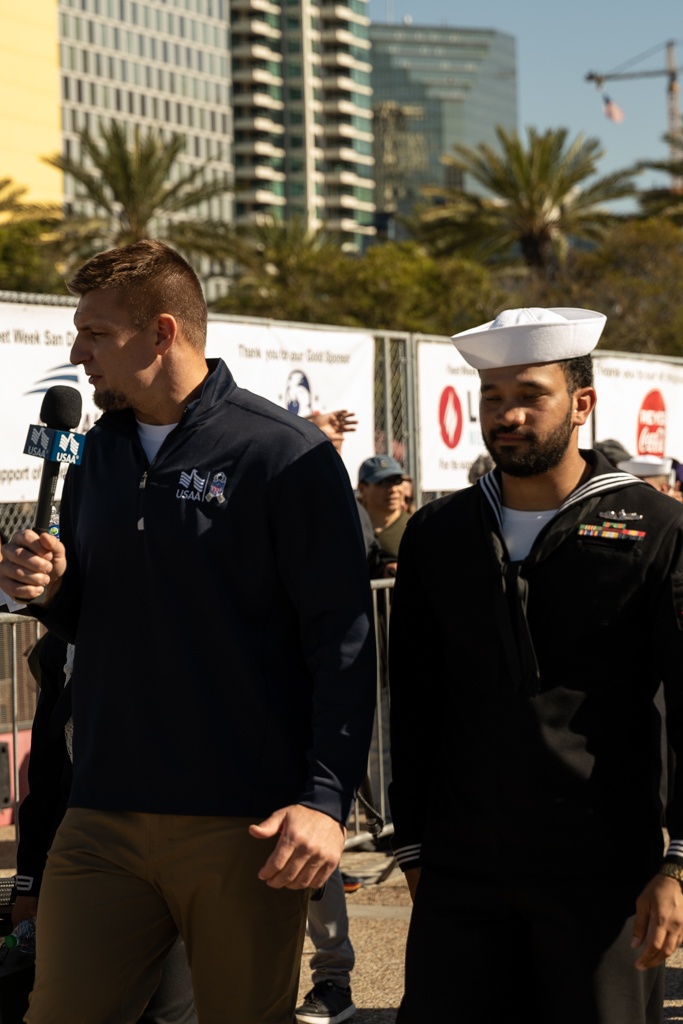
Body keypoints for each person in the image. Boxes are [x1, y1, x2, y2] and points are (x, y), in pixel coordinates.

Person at [0, 240, 376, 1024]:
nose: (79, 354)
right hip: (100, 814)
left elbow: (341, 644)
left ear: (162, 332)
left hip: (239, 822)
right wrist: (54, 591)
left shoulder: (284, 455)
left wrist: (324, 798)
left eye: (96, 333)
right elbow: (97, 618)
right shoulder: (97, 453)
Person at [388, 306, 683, 1024]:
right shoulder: (438, 533)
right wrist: (414, 845)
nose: (507, 415)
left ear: (581, 404)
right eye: (492, 397)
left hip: (602, 873)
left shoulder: (652, 526)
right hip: (461, 870)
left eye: (529, 395)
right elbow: (413, 699)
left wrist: (676, 864)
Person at [13, 630, 197, 1024]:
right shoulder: (58, 646)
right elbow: (46, 776)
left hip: (183, 842)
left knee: (169, 1010)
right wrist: (29, 880)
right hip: (89, 847)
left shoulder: (182, 616)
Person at [357, 456, 410, 578]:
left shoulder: (413, 527)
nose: (392, 489)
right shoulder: (352, 528)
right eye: (383, 482)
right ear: (362, 488)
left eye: (397, 480)